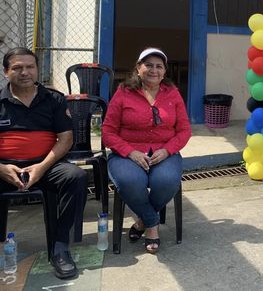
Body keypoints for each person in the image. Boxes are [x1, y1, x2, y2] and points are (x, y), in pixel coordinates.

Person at [0, 47, 86, 279]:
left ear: (37, 69)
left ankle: (60, 248)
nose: (25, 72)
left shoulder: (53, 99)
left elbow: (66, 139)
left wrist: (41, 168)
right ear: (6, 71)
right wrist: (1, 168)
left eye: (30, 67)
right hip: (4, 167)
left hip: (45, 165)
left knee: (76, 177)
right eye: (17, 68)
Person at [102, 48, 191, 254]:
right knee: (130, 181)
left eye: (159, 66)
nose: (154, 70)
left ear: (164, 71)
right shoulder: (123, 92)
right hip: (127, 153)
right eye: (148, 65)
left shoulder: (173, 93)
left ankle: (141, 222)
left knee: (166, 181)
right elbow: (107, 132)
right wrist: (130, 152)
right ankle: (151, 223)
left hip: (163, 152)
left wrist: (167, 150)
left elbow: (184, 131)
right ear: (138, 68)